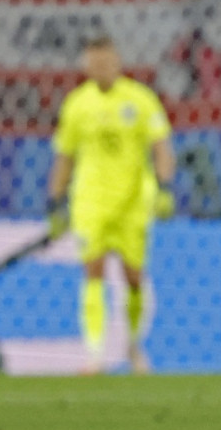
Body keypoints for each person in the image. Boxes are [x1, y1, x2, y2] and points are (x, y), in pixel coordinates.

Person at [48, 36, 176, 375]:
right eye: (94, 63)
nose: (100, 68)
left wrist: (163, 186)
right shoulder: (77, 104)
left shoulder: (140, 99)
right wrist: (54, 201)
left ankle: (133, 345)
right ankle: (94, 355)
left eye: (106, 62)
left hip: (133, 202)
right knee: (94, 272)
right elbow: (65, 157)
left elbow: (161, 146)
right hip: (91, 201)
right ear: (85, 66)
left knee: (134, 278)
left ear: (117, 63)